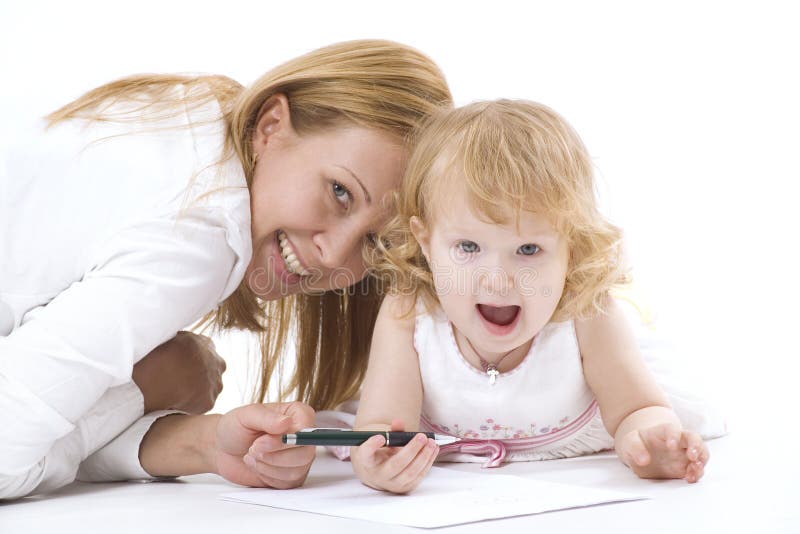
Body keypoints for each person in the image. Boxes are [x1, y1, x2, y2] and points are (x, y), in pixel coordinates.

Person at [0, 39, 452, 499]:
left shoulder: (189, 123)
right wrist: (149, 386)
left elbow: (48, 412)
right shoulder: (202, 231)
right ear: (272, 125)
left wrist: (207, 443)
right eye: (339, 191)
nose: (335, 255)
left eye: (376, 241)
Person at [349, 100, 716, 494]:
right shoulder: (408, 314)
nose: (497, 281)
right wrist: (379, 462)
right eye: (468, 247)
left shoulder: (586, 311)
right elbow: (383, 423)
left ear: (570, 248)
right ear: (426, 242)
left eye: (527, 251)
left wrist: (645, 444)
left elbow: (636, 408)